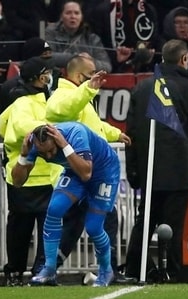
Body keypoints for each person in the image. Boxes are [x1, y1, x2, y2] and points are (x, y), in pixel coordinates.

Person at [123, 39, 188, 283]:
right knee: (173, 225)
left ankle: (134, 269)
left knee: (145, 222)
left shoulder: (142, 88)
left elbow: (132, 132)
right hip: (179, 170)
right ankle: (170, 272)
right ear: (185, 59)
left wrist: (134, 171)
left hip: (149, 168)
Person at [45, 54, 133, 284]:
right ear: (76, 76)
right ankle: (108, 271)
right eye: (89, 75)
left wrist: (114, 133)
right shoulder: (63, 95)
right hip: (78, 173)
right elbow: (57, 110)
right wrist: (87, 90)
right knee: (103, 219)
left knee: (75, 227)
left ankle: (45, 270)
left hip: (87, 174)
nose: (94, 79)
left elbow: (93, 126)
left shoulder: (80, 99)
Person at [13, 122, 121, 287]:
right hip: (74, 170)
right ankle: (49, 270)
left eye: (51, 150)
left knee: (93, 227)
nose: (48, 156)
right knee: (54, 209)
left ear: (57, 139)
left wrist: (64, 145)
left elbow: (86, 174)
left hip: (103, 172)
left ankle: (106, 270)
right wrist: (23, 155)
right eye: (44, 153)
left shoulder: (75, 133)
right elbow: (18, 182)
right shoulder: (34, 143)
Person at [0, 56, 58, 286]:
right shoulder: (25, 103)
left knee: (35, 230)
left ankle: (28, 272)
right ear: (42, 77)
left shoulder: (30, 102)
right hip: (26, 178)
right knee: (25, 231)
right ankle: (22, 272)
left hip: (36, 178)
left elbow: (2, 126)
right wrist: (45, 131)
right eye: (49, 73)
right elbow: (19, 130)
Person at [45, 0, 112, 72]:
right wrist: (77, 58)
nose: (73, 16)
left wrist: (90, 61)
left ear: (82, 17)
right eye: (68, 13)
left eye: (76, 13)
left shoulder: (91, 37)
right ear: (61, 16)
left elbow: (107, 67)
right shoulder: (51, 32)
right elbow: (47, 57)